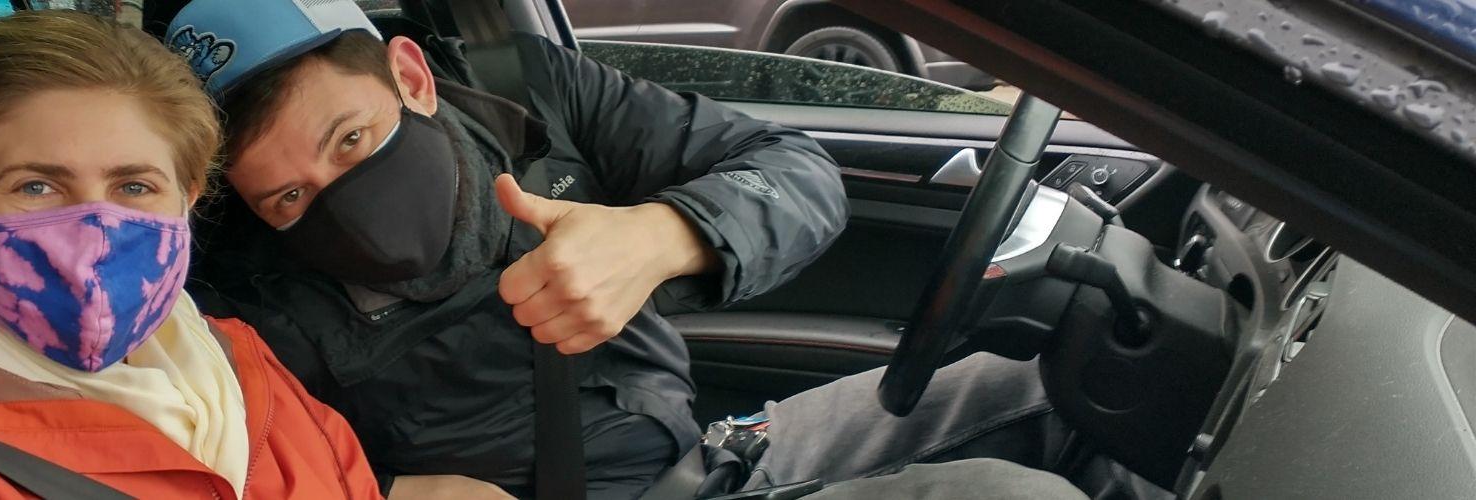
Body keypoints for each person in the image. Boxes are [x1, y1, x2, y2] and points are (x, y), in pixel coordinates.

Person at [169, 1, 1132, 499]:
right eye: (289, 193)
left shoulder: (529, 92)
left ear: (411, 76)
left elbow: (792, 166)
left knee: (1067, 378)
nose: (343, 202)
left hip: (707, 460)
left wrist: (665, 236)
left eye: (351, 140)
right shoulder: (245, 294)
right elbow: (224, 466)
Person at [0, 11, 382, 499]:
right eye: (36, 186)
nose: (96, 235)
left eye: (135, 187)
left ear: (186, 204)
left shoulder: (236, 360)